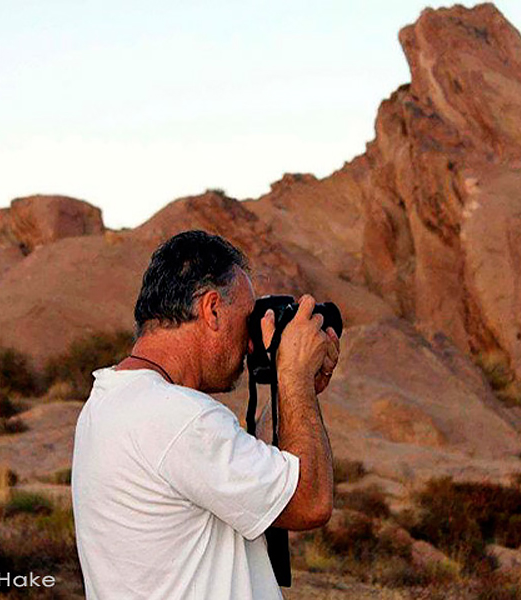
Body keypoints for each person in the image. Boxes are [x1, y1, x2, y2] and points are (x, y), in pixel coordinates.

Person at [71, 229, 339, 599]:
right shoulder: (179, 418)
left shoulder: (110, 402)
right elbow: (309, 503)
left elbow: (254, 474)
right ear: (212, 309)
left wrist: (295, 392)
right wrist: (293, 376)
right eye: (246, 319)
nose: (250, 342)